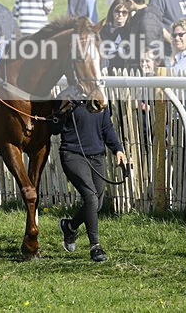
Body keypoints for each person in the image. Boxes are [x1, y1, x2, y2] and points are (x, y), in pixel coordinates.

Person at [57, 101, 126, 263]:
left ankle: (70, 227)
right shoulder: (66, 98)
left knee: (97, 204)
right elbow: (54, 129)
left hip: (97, 156)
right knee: (91, 198)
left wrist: (117, 149)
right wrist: (61, 113)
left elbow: (106, 127)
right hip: (72, 155)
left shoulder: (100, 99)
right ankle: (95, 246)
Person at [117, 0, 166, 70]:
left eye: (124, 1)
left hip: (144, 73)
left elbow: (149, 51)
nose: (123, 5)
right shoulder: (139, 16)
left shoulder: (147, 19)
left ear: (131, 2)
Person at [100, 0, 130, 73]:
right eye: (117, 11)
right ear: (112, 12)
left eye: (124, 12)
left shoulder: (131, 31)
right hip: (105, 71)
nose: (120, 15)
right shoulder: (102, 31)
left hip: (125, 72)